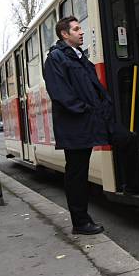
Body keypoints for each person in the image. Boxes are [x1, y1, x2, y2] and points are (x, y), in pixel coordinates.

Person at [43, 16, 112, 235]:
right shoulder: (55, 58)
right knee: (77, 173)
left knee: (125, 138)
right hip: (75, 126)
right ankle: (80, 222)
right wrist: (85, 110)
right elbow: (61, 94)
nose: (81, 32)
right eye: (76, 29)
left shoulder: (79, 57)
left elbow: (93, 87)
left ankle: (133, 187)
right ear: (65, 34)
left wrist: (104, 106)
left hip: (89, 121)